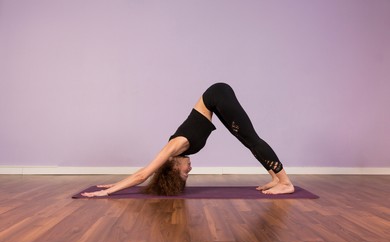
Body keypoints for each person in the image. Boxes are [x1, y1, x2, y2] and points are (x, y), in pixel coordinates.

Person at [81, 83, 294, 197]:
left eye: (184, 172)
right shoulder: (176, 153)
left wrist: (107, 192)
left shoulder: (175, 146)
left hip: (217, 95)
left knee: (252, 139)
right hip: (215, 101)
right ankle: (276, 178)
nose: (189, 170)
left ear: (174, 167)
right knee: (249, 142)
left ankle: (285, 183)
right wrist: (116, 183)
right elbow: (148, 174)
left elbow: (142, 175)